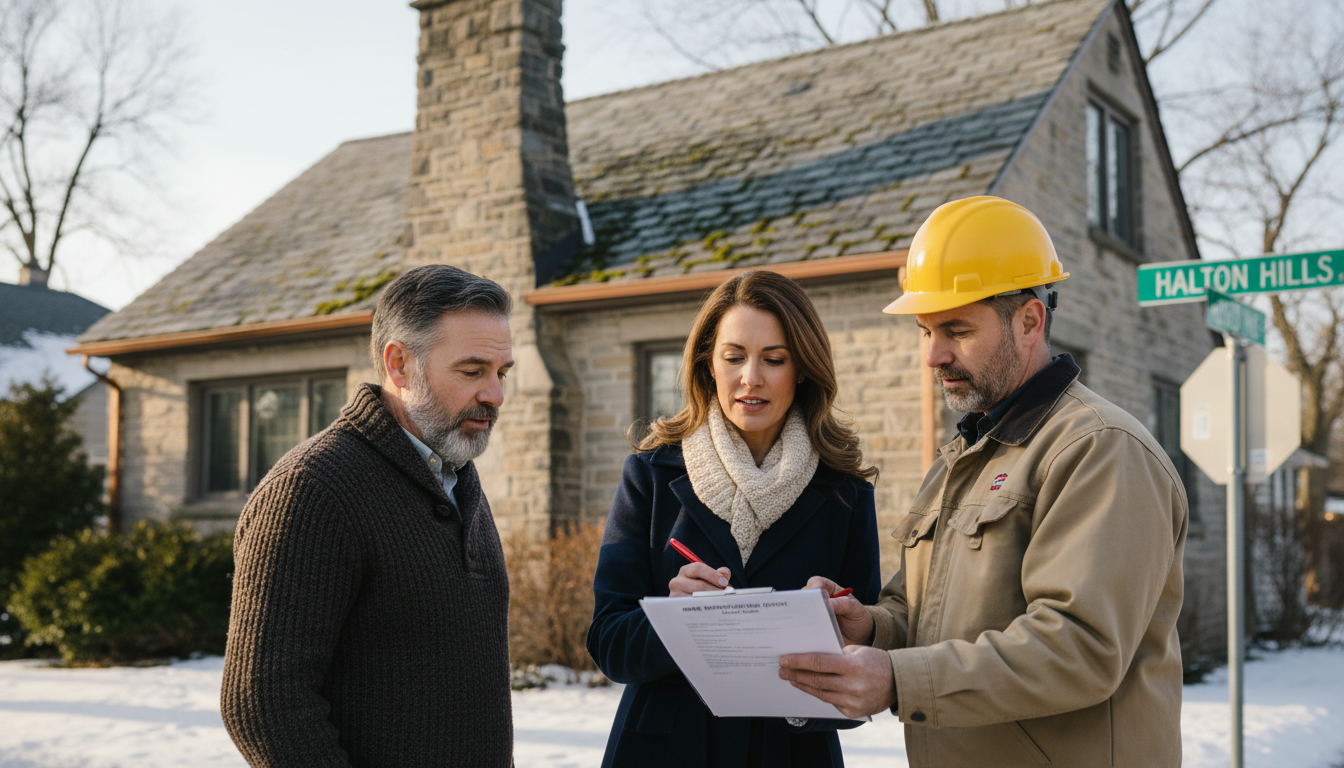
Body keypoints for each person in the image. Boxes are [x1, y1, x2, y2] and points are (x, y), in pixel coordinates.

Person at [778, 196, 1188, 767]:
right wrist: (872, 627)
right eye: (925, 332)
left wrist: (898, 680)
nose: (934, 355)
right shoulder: (964, 455)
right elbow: (928, 613)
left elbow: (1079, 648)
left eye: (956, 329)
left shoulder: (1099, 449)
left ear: (1029, 320)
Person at [221, 264, 516, 767]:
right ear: (399, 364)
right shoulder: (313, 489)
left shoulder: (455, 474)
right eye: (472, 371)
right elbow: (263, 701)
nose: (495, 395)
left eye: (501, 373)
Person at [587, 270, 882, 768]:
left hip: (792, 753)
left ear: (803, 369)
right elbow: (609, 643)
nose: (752, 378)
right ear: (708, 365)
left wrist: (832, 652)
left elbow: (864, 669)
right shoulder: (652, 474)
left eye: (774, 359)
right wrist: (674, 621)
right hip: (662, 751)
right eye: (734, 357)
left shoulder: (845, 493)